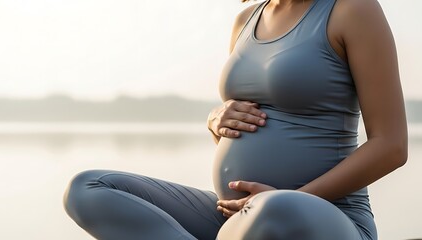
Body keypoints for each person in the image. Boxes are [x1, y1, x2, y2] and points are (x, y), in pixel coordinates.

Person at [63, 0, 407, 239]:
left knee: (275, 209)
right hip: (233, 216)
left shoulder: (352, 10)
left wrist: (295, 195)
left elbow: (391, 146)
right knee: (88, 188)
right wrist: (216, 119)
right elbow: (247, 120)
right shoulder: (246, 20)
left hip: (319, 218)